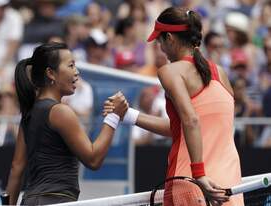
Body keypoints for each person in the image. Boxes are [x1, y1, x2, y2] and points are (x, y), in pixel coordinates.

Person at [104, 7, 243, 206]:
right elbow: (184, 127)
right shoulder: (220, 72)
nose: (160, 48)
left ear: (169, 38)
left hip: (192, 182)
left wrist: (199, 174)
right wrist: (128, 114)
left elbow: (191, 119)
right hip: (228, 185)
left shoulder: (170, 71)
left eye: (160, 41)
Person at [5, 42, 128, 205]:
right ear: (51, 73)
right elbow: (93, 159)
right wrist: (113, 116)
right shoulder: (60, 112)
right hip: (54, 201)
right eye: (71, 65)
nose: (76, 72)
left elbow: (16, 167)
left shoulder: (30, 112)